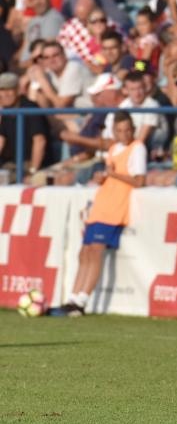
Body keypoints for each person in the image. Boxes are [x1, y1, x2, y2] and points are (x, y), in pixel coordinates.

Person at [49, 111, 146, 317]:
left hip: (116, 206)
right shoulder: (113, 149)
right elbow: (112, 176)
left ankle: (82, 301)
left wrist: (113, 175)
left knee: (95, 251)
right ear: (114, 132)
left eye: (127, 130)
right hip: (102, 203)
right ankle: (72, 298)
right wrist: (103, 178)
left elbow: (139, 181)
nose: (124, 134)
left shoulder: (137, 149)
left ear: (133, 130)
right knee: (84, 252)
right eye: (119, 131)